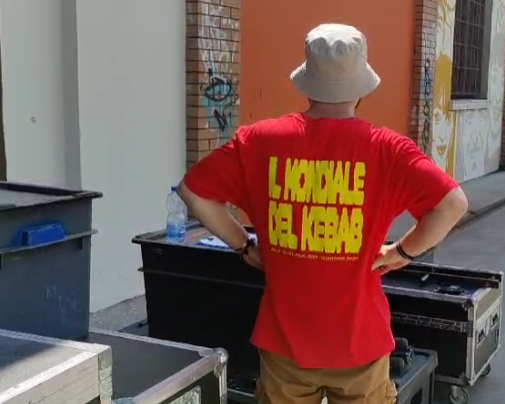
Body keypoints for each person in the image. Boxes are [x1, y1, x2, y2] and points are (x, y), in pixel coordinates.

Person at [177, 23, 468, 404]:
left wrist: (244, 246)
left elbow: (193, 192)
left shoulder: (260, 140)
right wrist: (402, 252)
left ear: (308, 82)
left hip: (285, 342)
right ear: (361, 87)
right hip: (360, 343)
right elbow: (453, 204)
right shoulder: (388, 150)